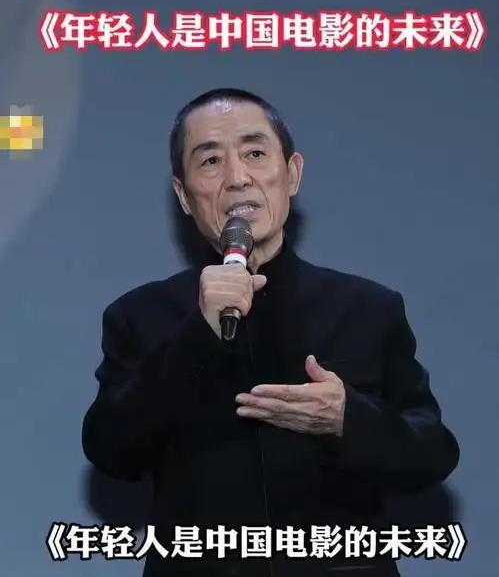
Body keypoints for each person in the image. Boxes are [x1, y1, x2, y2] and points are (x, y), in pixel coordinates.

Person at [82, 88, 459, 577]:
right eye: (210, 161)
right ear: (184, 195)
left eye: (255, 153)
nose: (238, 178)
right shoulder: (140, 315)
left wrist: (348, 418)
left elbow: (432, 454)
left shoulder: (367, 308)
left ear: (292, 173)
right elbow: (111, 450)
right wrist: (197, 336)